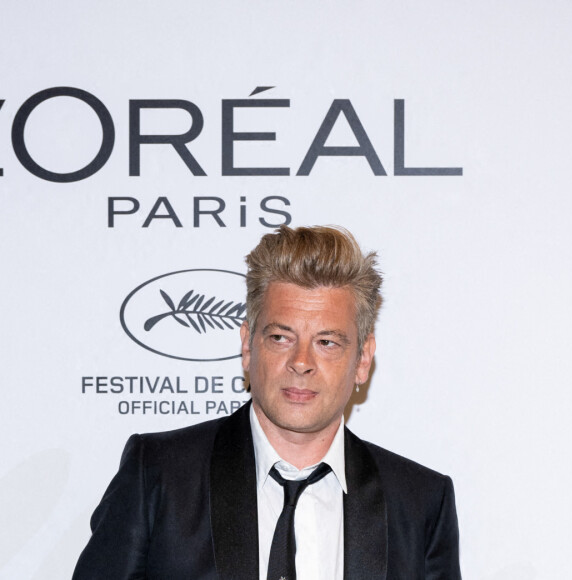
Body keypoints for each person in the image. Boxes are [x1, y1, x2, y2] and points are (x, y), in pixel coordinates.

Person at [73, 225, 461, 580]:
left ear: (362, 360)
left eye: (327, 342)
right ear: (247, 346)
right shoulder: (159, 474)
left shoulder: (420, 501)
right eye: (281, 337)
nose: (301, 362)